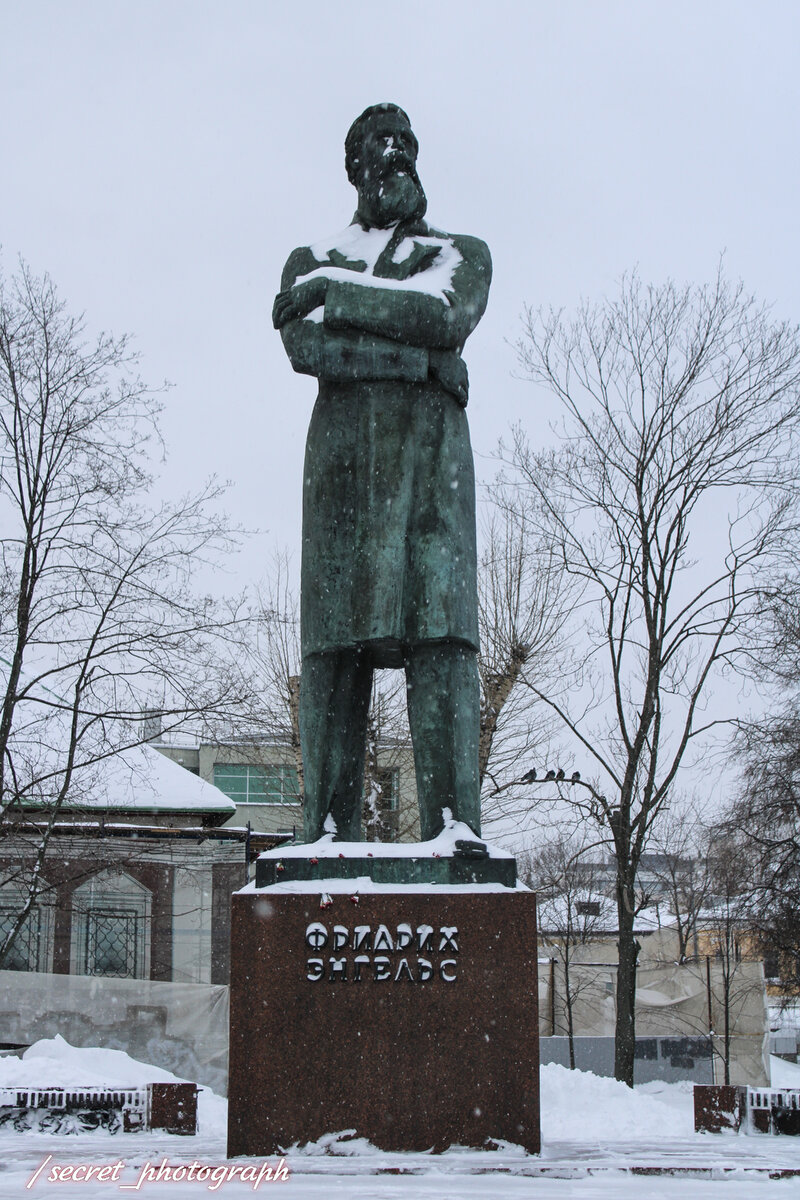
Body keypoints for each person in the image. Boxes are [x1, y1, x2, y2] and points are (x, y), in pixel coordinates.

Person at [273, 102, 491, 842]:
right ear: (355, 167)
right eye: (377, 145)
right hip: (341, 473)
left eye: (404, 142)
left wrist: (342, 297)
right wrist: (423, 365)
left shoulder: (459, 251)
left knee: (442, 640)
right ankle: (324, 833)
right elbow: (307, 351)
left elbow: (447, 316)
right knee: (334, 653)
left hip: (432, 472)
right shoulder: (308, 256)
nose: (394, 154)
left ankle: (457, 832)